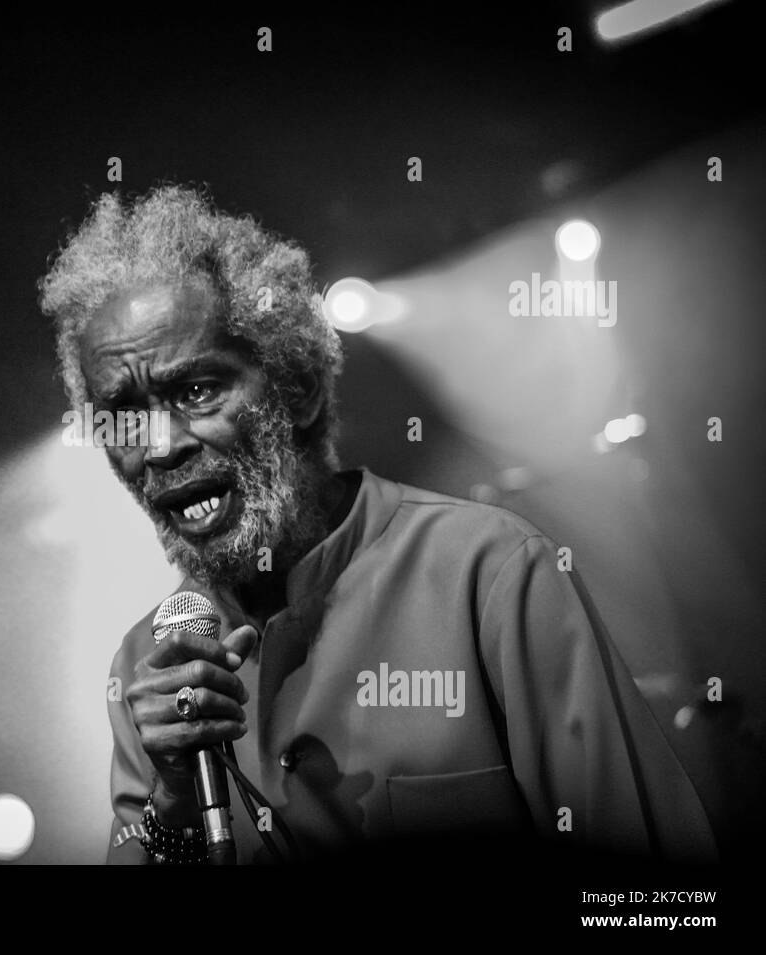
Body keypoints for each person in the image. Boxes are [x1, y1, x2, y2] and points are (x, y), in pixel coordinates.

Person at [37, 184, 718, 865]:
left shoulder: (487, 571)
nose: (158, 446)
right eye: (123, 413)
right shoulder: (148, 666)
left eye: (196, 390)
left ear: (297, 389)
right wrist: (172, 809)